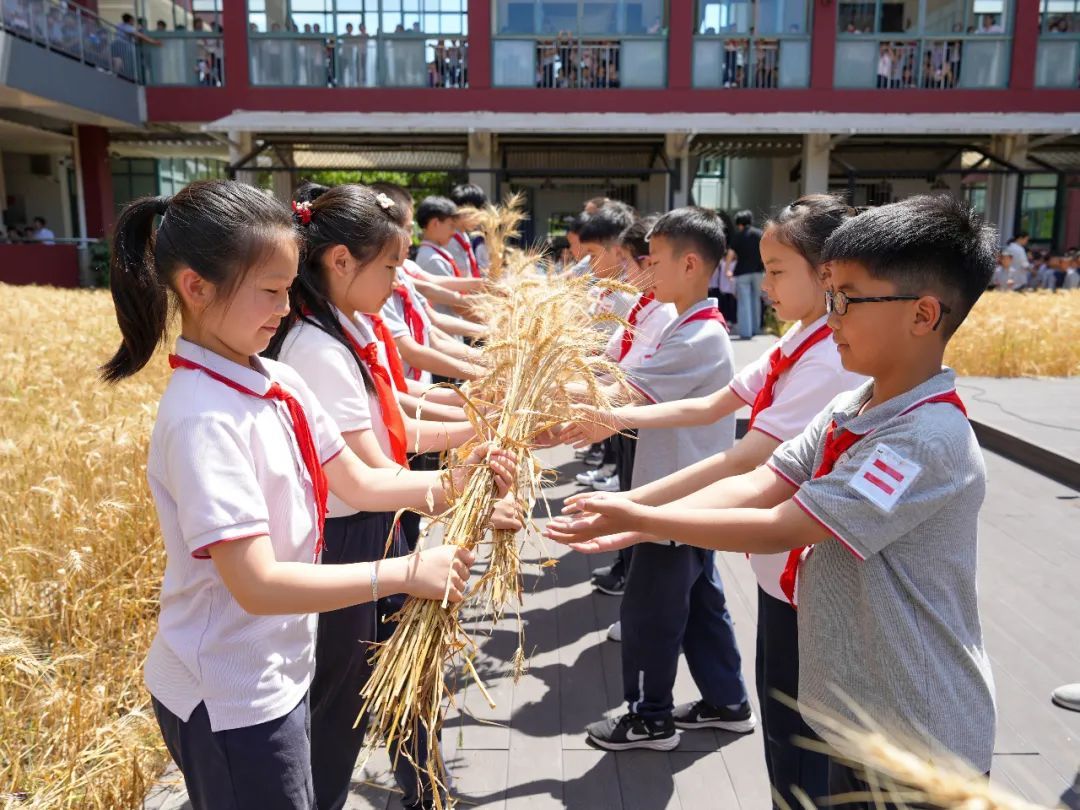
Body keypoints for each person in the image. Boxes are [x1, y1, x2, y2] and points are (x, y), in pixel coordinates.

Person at [548, 194, 998, 807]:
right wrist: (634, 520)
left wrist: (641, 515)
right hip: (856, 715)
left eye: (846, 299)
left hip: (917, 733)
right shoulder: (853, 407)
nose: (831, 315)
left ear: (923, 314)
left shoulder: (923, 440)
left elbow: (785, 524)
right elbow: (760, 481)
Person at [99, 179, 514, 810]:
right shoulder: (202, 419)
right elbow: (257, 583)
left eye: (289, 288)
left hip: (274, 666)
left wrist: (457, 483)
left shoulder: (275, 377)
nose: (284, 306)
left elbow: (359, 480)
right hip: (232, 693)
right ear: (195, 287)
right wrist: (402, 570)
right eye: (268, 290)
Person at [560, 195, 867, 807]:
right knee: (783, 722)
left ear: (829, 273)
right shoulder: (800, 342)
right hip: (769, 560)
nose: (759, 283)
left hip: (802, 566)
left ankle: (653, 713)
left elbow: (747, 461)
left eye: (776, 271)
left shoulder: (829, 357)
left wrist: (639, 511)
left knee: (803, 742)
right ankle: (724, 703)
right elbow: (711, 411)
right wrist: (609, 430)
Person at [267, 184, 521, 810]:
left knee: (412, 678)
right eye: (388, 267)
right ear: (340, 262)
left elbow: (396, 422)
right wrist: (462, 489)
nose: (397, 279)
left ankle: (426, 794)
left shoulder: (349, 325)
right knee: (344, 702)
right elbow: (369, 471)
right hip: (354, 536)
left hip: (379, 522)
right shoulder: (319, 349)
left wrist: (476, 428)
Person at [570, 207, 753, 752]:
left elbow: (623, 391)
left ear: (691, 264)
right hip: (683, 495)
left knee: (651, 610)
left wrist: (547, 396)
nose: (644, 269)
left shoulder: (698, 337)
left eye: (654, 260)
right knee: (699, 603)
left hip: (674, 498)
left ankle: (650, 717)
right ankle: (728, 701)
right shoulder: (681, 323)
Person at [730, 209, 765, 339]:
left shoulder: (738, 236)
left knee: (744, 302)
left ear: (739, 224)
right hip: (757, 272)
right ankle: (756, 329)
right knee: (756, 300)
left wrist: (728, 268)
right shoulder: (760, 234)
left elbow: (730, 254)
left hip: (742, 273)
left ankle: (746, 332)